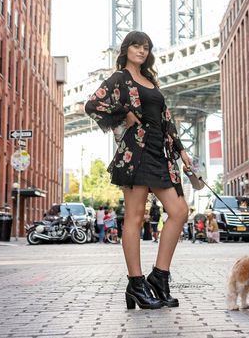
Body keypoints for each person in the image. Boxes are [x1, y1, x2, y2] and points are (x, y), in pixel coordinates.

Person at [85, 31, 191, 310]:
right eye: (136, 46)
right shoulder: (120, 78)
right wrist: (124, 113)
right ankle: (136, 283)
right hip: (135, 154)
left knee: (180, 211)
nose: (141, 51)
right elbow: (92, 104)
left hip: (159, 153)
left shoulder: (151, 81)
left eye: (146, 47)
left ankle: (159, 277)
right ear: (126, 49)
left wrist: (182, 151)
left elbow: (166, 119)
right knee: (134, 217)